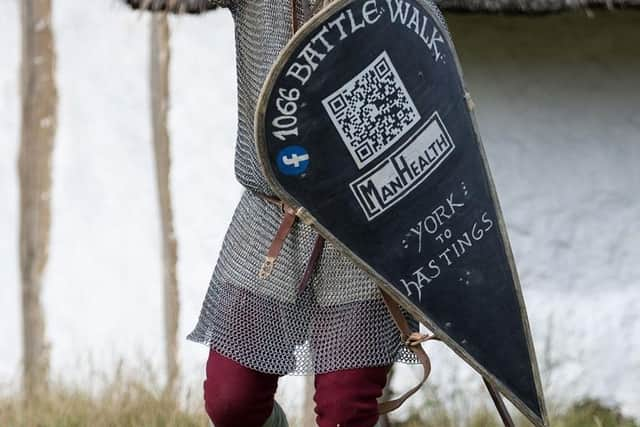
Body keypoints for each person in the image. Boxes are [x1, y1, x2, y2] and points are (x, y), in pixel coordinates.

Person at [123, 0, 444, 425]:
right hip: (272, 218)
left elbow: (431, 79)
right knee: (230, 399)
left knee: (345, 411)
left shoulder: (391, 6)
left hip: (363, 227)